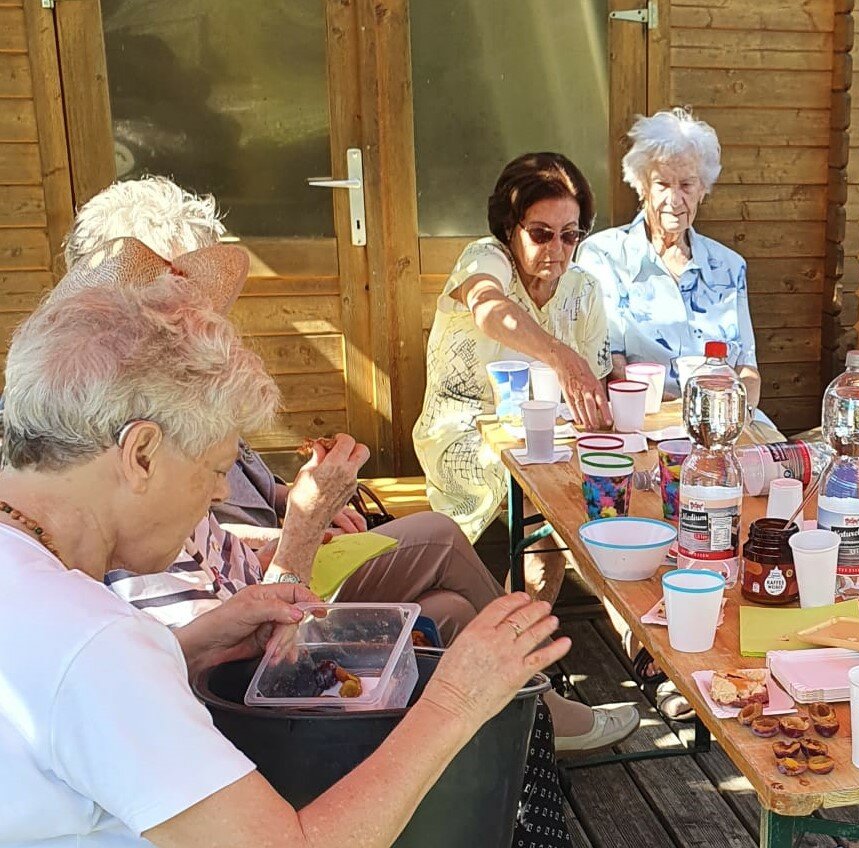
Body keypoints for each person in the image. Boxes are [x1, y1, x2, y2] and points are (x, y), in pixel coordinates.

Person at [0, 266, 570, 847]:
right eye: (216, 471)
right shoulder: (95, 644)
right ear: (141, 454)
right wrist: (457, 699)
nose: (221, 495)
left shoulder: (37, 588)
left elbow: (72, 709)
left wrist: (191, 646)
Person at [61, 177, 636, 752]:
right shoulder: (137, 457)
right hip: (263, 656)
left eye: (571, 234)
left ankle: (525, 728)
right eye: (183, 307)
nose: (208, 324)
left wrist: (301, 502)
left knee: (449, 607)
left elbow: (221, 545)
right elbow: (234, 656)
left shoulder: (165, 414)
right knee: (440, 550)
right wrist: (301, 525)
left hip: (264, 580)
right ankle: (536, 717)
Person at [415, 152, 613, 543]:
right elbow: (489, 308)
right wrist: (559, 356)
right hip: (467, 431)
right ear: (510, 228)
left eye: (569, 235)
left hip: (548, 440)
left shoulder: (584, 289)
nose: (556, 248)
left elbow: (594, 396)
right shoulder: (486, 257)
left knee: (610, 483)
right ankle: (522, 602)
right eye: (541, 233)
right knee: (547, 492)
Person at [576, 108, 783, 443]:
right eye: (662, 184)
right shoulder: (605, 257)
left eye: (687, 184)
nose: (675, 199)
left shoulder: (729, 267)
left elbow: (748, 371)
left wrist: (725, 422)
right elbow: (611, 369)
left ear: (703, 189)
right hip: (647, 426)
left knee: (788, 472)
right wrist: (691, 415)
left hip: (728, 427)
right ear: (642, 186)